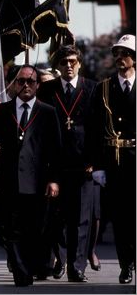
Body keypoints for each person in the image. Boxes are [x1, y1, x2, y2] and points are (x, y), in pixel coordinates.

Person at [0, 65, 62, 286]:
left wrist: (54, 179)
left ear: (37, 85)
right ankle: (20, 272)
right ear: (14, 84)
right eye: (21, 81)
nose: (26, 85)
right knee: (11, 228)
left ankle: (34, 265)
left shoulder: (47, 111)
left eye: (31, 81)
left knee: (34, 228)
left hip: (38, 182)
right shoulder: (2, 110)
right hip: (9, 180)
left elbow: (56, 149)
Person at [37, 45, 97, 282]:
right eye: (63, 62)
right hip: (55, 165)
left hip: (84, 164)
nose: (68, 66)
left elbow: (97, 127)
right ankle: (60, 260)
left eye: (72, 61)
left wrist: (94, 160)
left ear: (79, 64)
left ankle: (77, 266)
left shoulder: (92, 88)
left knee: (81, 219)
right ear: (57, 66)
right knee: (57, 218)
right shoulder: (47, 89)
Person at [89, 34, 135, 284]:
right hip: (115, 161)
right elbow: (94, 129)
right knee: (120, 217)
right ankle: (125, 264)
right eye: (116, 53)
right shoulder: (103, 88)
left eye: (125, 53)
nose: (119, 57)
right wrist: (97, 166)